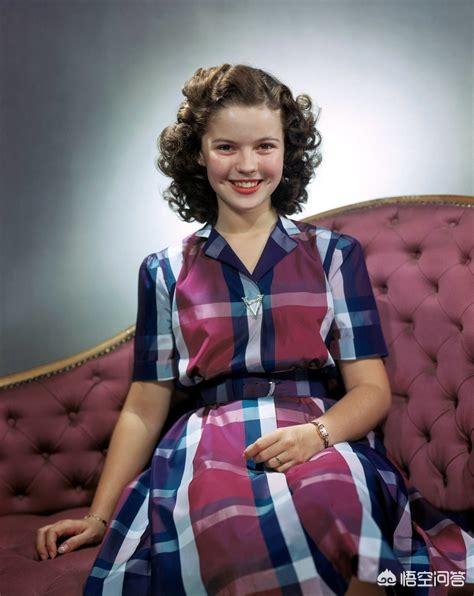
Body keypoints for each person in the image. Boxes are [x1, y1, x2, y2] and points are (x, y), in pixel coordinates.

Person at [35, 64, 472, 596]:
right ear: (198, 153)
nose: (247, 166)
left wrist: (317, 436)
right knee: (226, 524)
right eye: (226, 147)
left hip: (318, 429)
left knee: (335, 499)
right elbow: (143, 407)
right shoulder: (165, 270)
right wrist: (98, 517)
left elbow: (371, 390)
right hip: (210, 444)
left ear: (287, 151)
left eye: (265, 146)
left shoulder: (335, 256)